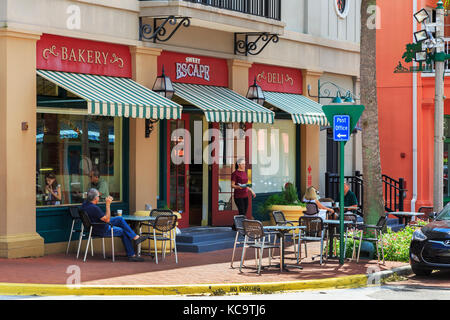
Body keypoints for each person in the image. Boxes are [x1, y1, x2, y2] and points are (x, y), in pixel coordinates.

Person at [81, 188, 149, 262]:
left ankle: (135, 237)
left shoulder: (85, 205)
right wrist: (108, 205)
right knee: (123, 231)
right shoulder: (94, 208)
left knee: (119, 219)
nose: (99, 198)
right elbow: (107, 219)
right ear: (95, 198)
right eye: (98, 197)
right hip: (102, 229)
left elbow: (102, 218)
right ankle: (131, 254)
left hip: (93, 227)